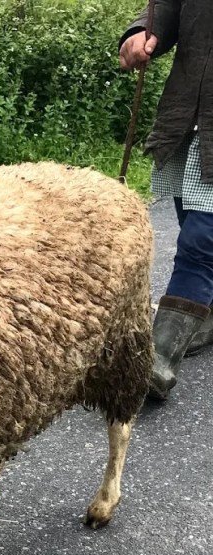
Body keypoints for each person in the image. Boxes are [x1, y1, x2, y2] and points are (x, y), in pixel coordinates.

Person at [120, 1, 213, 400]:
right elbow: (170, 5)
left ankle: (156, 358)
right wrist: (142, 32)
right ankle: (205, 312)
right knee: (189, 217)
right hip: (189, 113)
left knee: (200, 240)